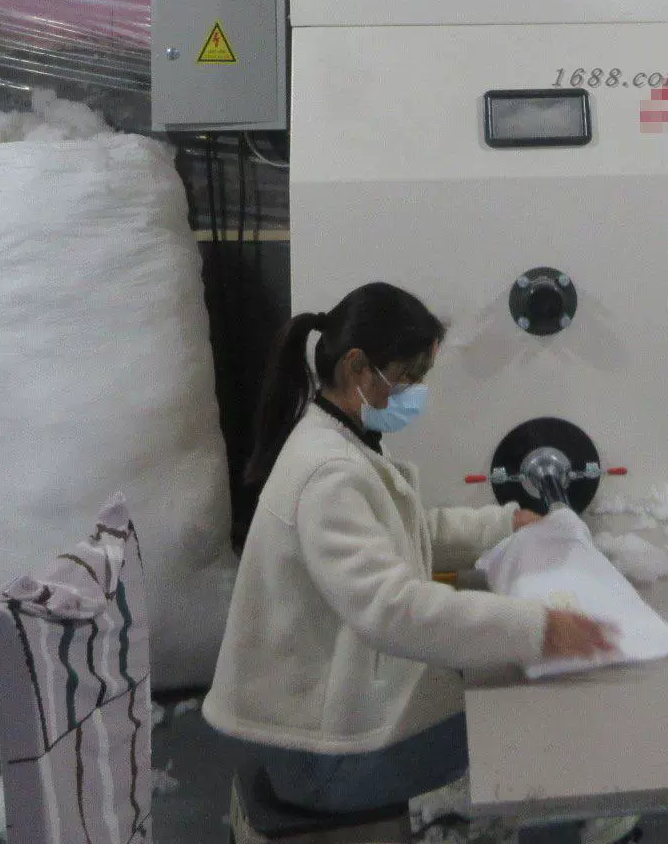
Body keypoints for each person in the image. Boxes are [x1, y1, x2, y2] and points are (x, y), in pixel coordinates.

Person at [204, 282, 616, 839]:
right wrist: (539, 628)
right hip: (321, 755)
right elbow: (393, 610)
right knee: (522, 723)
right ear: (358, 367)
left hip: (320, 721)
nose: (415, 392)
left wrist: (505, 524)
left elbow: (409, 529)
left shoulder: (340, 437)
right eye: (407, 376)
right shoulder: (328, 475)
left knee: (502, 692)